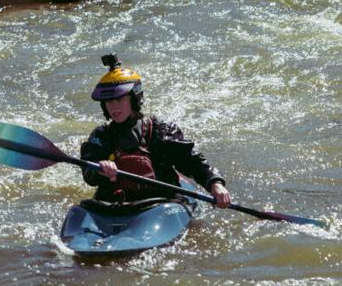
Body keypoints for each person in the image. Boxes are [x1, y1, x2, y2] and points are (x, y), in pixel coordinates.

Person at [80, 54, 231, 208]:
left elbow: (191, 162)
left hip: (160, 204)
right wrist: (99, 168)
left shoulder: (161, 129)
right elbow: (88, 174)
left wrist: (215, 183)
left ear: (134, 98)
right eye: (109, 101)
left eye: (120, 99)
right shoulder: (100, 135)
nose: (114, 107)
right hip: (117, 203)